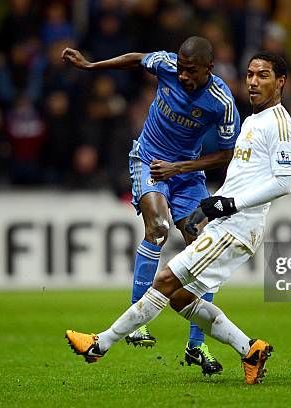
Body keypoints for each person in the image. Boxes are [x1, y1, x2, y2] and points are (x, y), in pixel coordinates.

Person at [65, 52, 291, 385]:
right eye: (250, 75)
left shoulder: (280, 125)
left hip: (237, 228)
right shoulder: (253, 120)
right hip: (227, 224)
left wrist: (227, 204)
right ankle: (250, 349)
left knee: (164, 282)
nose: (253, 82)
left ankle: (100, 344)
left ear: (281, 81)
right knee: (180, 298)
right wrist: (212, 207)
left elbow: (283, 182)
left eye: (263, 75)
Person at [61, 36, 239, 375]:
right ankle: (137, 319)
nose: (183, 76)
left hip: (185, 174)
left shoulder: (222, 102)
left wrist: (181, 168)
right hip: (150, 160)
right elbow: (136, 57)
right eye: (181, 69)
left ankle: (196, 345)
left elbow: (227, 154)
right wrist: (91, 65)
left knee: (204, 251)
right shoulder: (166, 64)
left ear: (209, 69)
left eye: (191, 71)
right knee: (157, 229)